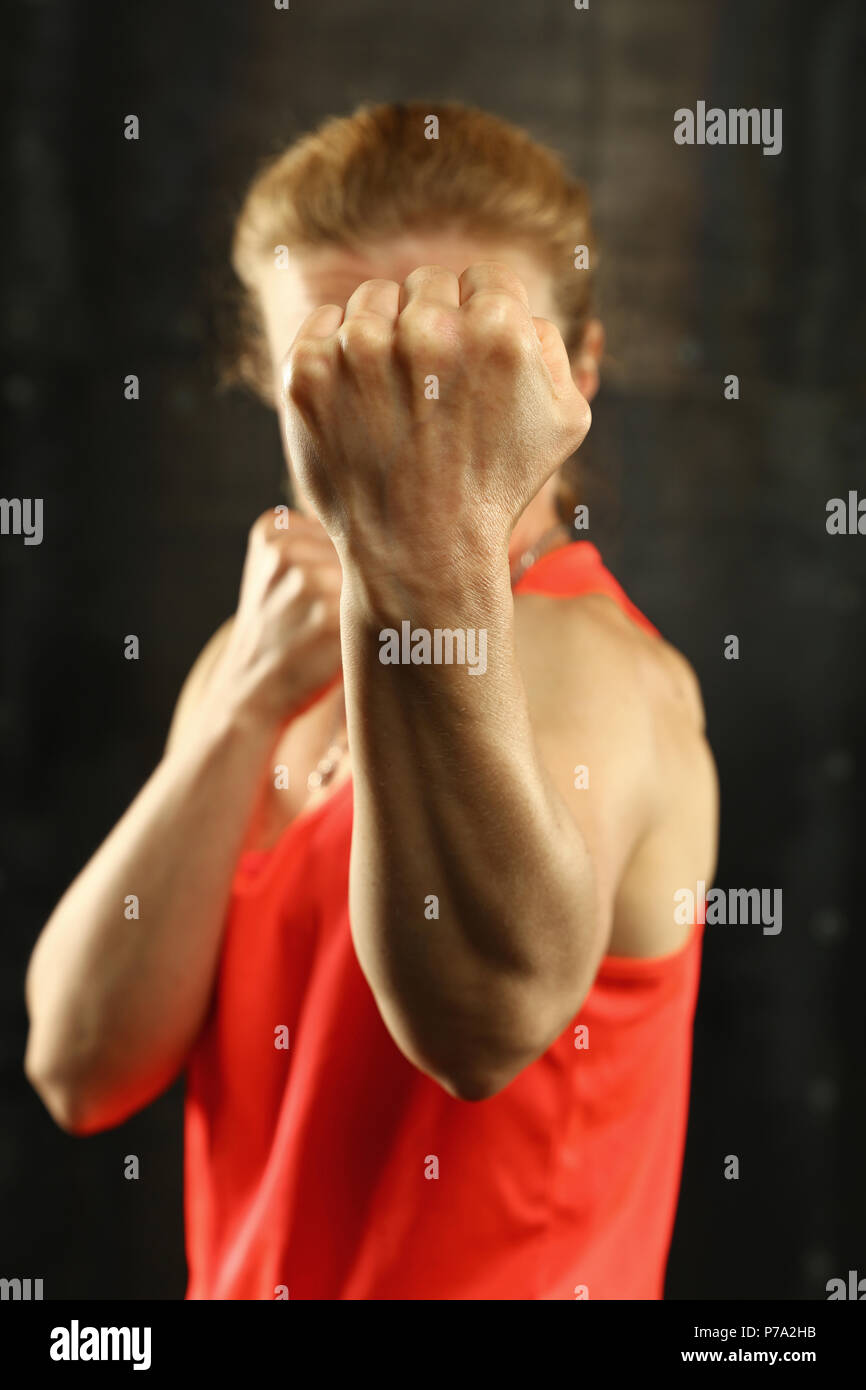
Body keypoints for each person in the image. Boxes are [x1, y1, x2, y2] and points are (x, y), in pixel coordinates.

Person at [24, 101, 718, 1300]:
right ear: (276, 383)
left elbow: (482, 1029)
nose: (406, 407)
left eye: (465, 357)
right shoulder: (255, 665)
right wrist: (240, 706)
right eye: (343, 363)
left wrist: (411, 556)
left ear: (580, 373)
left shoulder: (592, 665)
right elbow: (77, 1066)